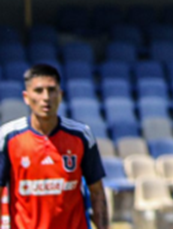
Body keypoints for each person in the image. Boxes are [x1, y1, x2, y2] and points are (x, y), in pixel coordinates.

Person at [0, 64, 108, 229]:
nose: (46, 97)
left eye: (51, 90)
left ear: (60, 94)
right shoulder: (8, 137)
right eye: (38, 91)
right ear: (26, 97)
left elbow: (97, 192)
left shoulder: (81, 135)